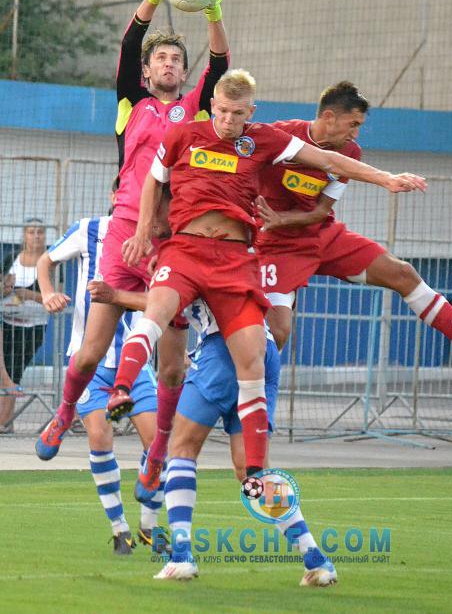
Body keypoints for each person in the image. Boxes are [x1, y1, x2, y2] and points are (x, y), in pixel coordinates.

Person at [107, 68, 427, 485]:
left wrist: (386, 179)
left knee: (250, 362)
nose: (227, 120)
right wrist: (142, 235)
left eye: (237, 113)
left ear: (251, 112)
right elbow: (153, 181)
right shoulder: (183, 138)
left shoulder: (262, 140)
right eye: (222, 111)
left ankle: (246, 473)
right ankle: (129, 403)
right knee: (164, 335)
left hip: (232, 271)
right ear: (212, 107)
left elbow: (329, 161)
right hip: (192, 272)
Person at [35, 0, 229, 462]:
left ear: (184, 73)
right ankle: (63, 412)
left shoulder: (196, 112)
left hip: (173, 239)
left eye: (176, 60)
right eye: (160, 58)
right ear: (146, 71)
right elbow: (127, 43)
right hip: (125, 230)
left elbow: (220, 66)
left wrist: (213, 10)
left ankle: (159, 449)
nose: (169, 64)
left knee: (173, 366)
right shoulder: (131, 104)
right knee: (92, 351)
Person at [254, 80, 452, 373]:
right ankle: (247, 392)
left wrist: (285, 218)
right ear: (329, 117)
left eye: (359, 126)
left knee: (403, 273)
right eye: (352, 124)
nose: (355, 133)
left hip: (322, 235)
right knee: (277, 331)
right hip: (276, 246)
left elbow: (321, 210)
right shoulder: (279, 135)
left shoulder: (350, 152)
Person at [88, 280, 337, 586]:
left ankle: (181, 557)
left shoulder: (191, 255)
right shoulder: (242, 254)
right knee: (251, 471)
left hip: (224, 347)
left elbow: (165, 305)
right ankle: (315, 558)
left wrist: (116, 295)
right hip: (264, 348)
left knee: (181, 448)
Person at [36, 214, 169, 555]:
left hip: (135, 362)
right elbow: (45, 260)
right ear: (118, 197)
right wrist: (48, 293)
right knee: (98, 435)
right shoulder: (90, 229)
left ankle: (149, 528)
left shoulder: (160, 236)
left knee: (156, 442)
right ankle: (119, 530)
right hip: (90, 363)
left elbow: (165, 301)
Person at [0, 219, 49, 433]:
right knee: (4, 373)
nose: (36, 236)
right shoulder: (12, 258)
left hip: (33, 326)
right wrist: (5, 288)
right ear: (24, 236)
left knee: (13, 371)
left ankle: (4, 422)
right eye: (31, 232)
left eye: (40, 232)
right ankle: (6, 421)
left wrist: (28, 294)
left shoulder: (49, 261)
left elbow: (56, 296)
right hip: (7, 322)